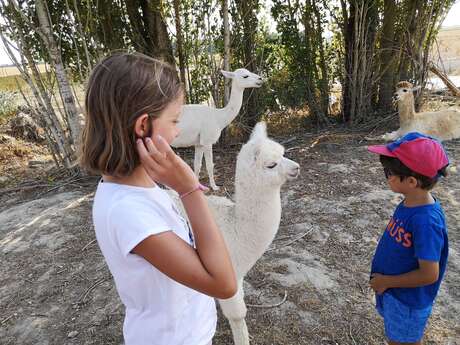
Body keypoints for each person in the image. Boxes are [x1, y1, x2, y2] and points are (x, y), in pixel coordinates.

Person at [79, 51, 237, 345]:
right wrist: (190, 190)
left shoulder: (139, 188)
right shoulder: (128, 212)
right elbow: (224, 284)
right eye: (175, 120)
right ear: (142, 126)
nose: (178, 131)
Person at [367, 132, 449, 345]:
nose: (386, 175)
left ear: (412, 181)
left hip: (408, 302)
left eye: (388, 172)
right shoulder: (409, 202)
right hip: (395, 295)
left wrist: (386, 282)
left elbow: (429, 274)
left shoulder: (426, 221)